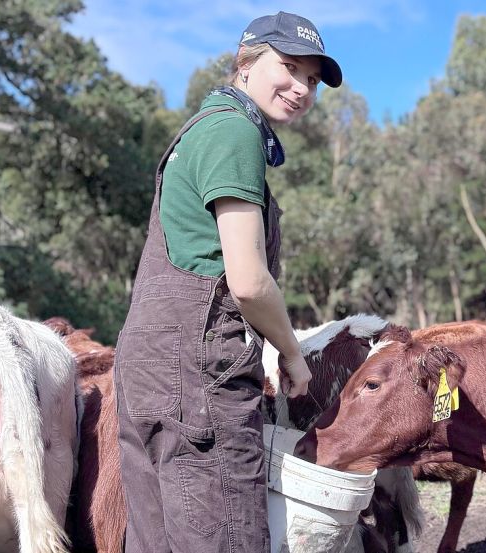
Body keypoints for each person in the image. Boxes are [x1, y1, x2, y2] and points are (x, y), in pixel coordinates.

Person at [113, 12, 341, 553]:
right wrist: (292, 354)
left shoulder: (199, 130)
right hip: (198, 376)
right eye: (289, 68)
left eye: (312, 80)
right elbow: (248, 281)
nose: (302, 88)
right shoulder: (235, 131)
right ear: (246, 62)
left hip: (146, 367)